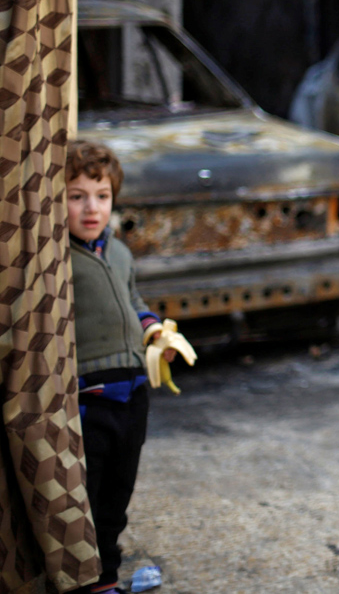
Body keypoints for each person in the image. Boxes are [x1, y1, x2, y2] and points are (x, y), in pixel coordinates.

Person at [66, 141, 187, 594]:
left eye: (101, 196)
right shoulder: (54, 261)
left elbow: (134, 302)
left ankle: (107, 578)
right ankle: (87, 582)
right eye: (76, 196)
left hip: (134, 396)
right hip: (89, 401)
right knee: (88, 499)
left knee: (118, 495)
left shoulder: (118, 253)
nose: (91, 208)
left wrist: (156, 332)